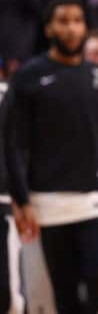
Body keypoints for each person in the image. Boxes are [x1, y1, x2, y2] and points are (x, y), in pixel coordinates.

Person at [4, 0, 98, 313]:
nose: (72, 28)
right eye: (63, 21)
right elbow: (12, 143)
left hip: (91, 200)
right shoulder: (29, 76)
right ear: (49, 28)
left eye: (77, 21)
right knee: (61, 289)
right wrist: (20, 200)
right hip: (45, 201)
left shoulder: (97, 76)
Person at [0, 65, 24, 314]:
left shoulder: (8, 94)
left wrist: (22, 198)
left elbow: (15, 151)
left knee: (10, 299)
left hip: (5, 201)